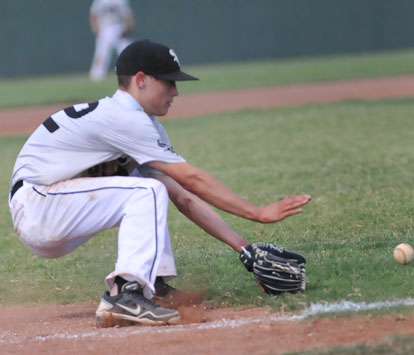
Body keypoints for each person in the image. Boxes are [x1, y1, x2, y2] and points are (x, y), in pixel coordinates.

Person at [8, 39, 311, 327]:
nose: (175, 91)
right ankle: (125, 295)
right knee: (148, 190)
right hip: (38, 205)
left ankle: (154, 286)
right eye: (168, 81)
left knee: (153, 187)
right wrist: (256, 213)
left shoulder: (143, 126)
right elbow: (192, 178)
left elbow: (185, 197)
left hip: (55, 209)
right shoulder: (124, 118)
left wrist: (243, 247)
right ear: (141, 80)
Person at [89, 0, 135, 81]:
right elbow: (93, 14)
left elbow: (127, 14)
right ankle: (96, 76)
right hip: (105, 27)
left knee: (126, 50)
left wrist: (128, 27)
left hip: (118, 26)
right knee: (102, 53)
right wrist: (95, 27)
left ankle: (131, 72)